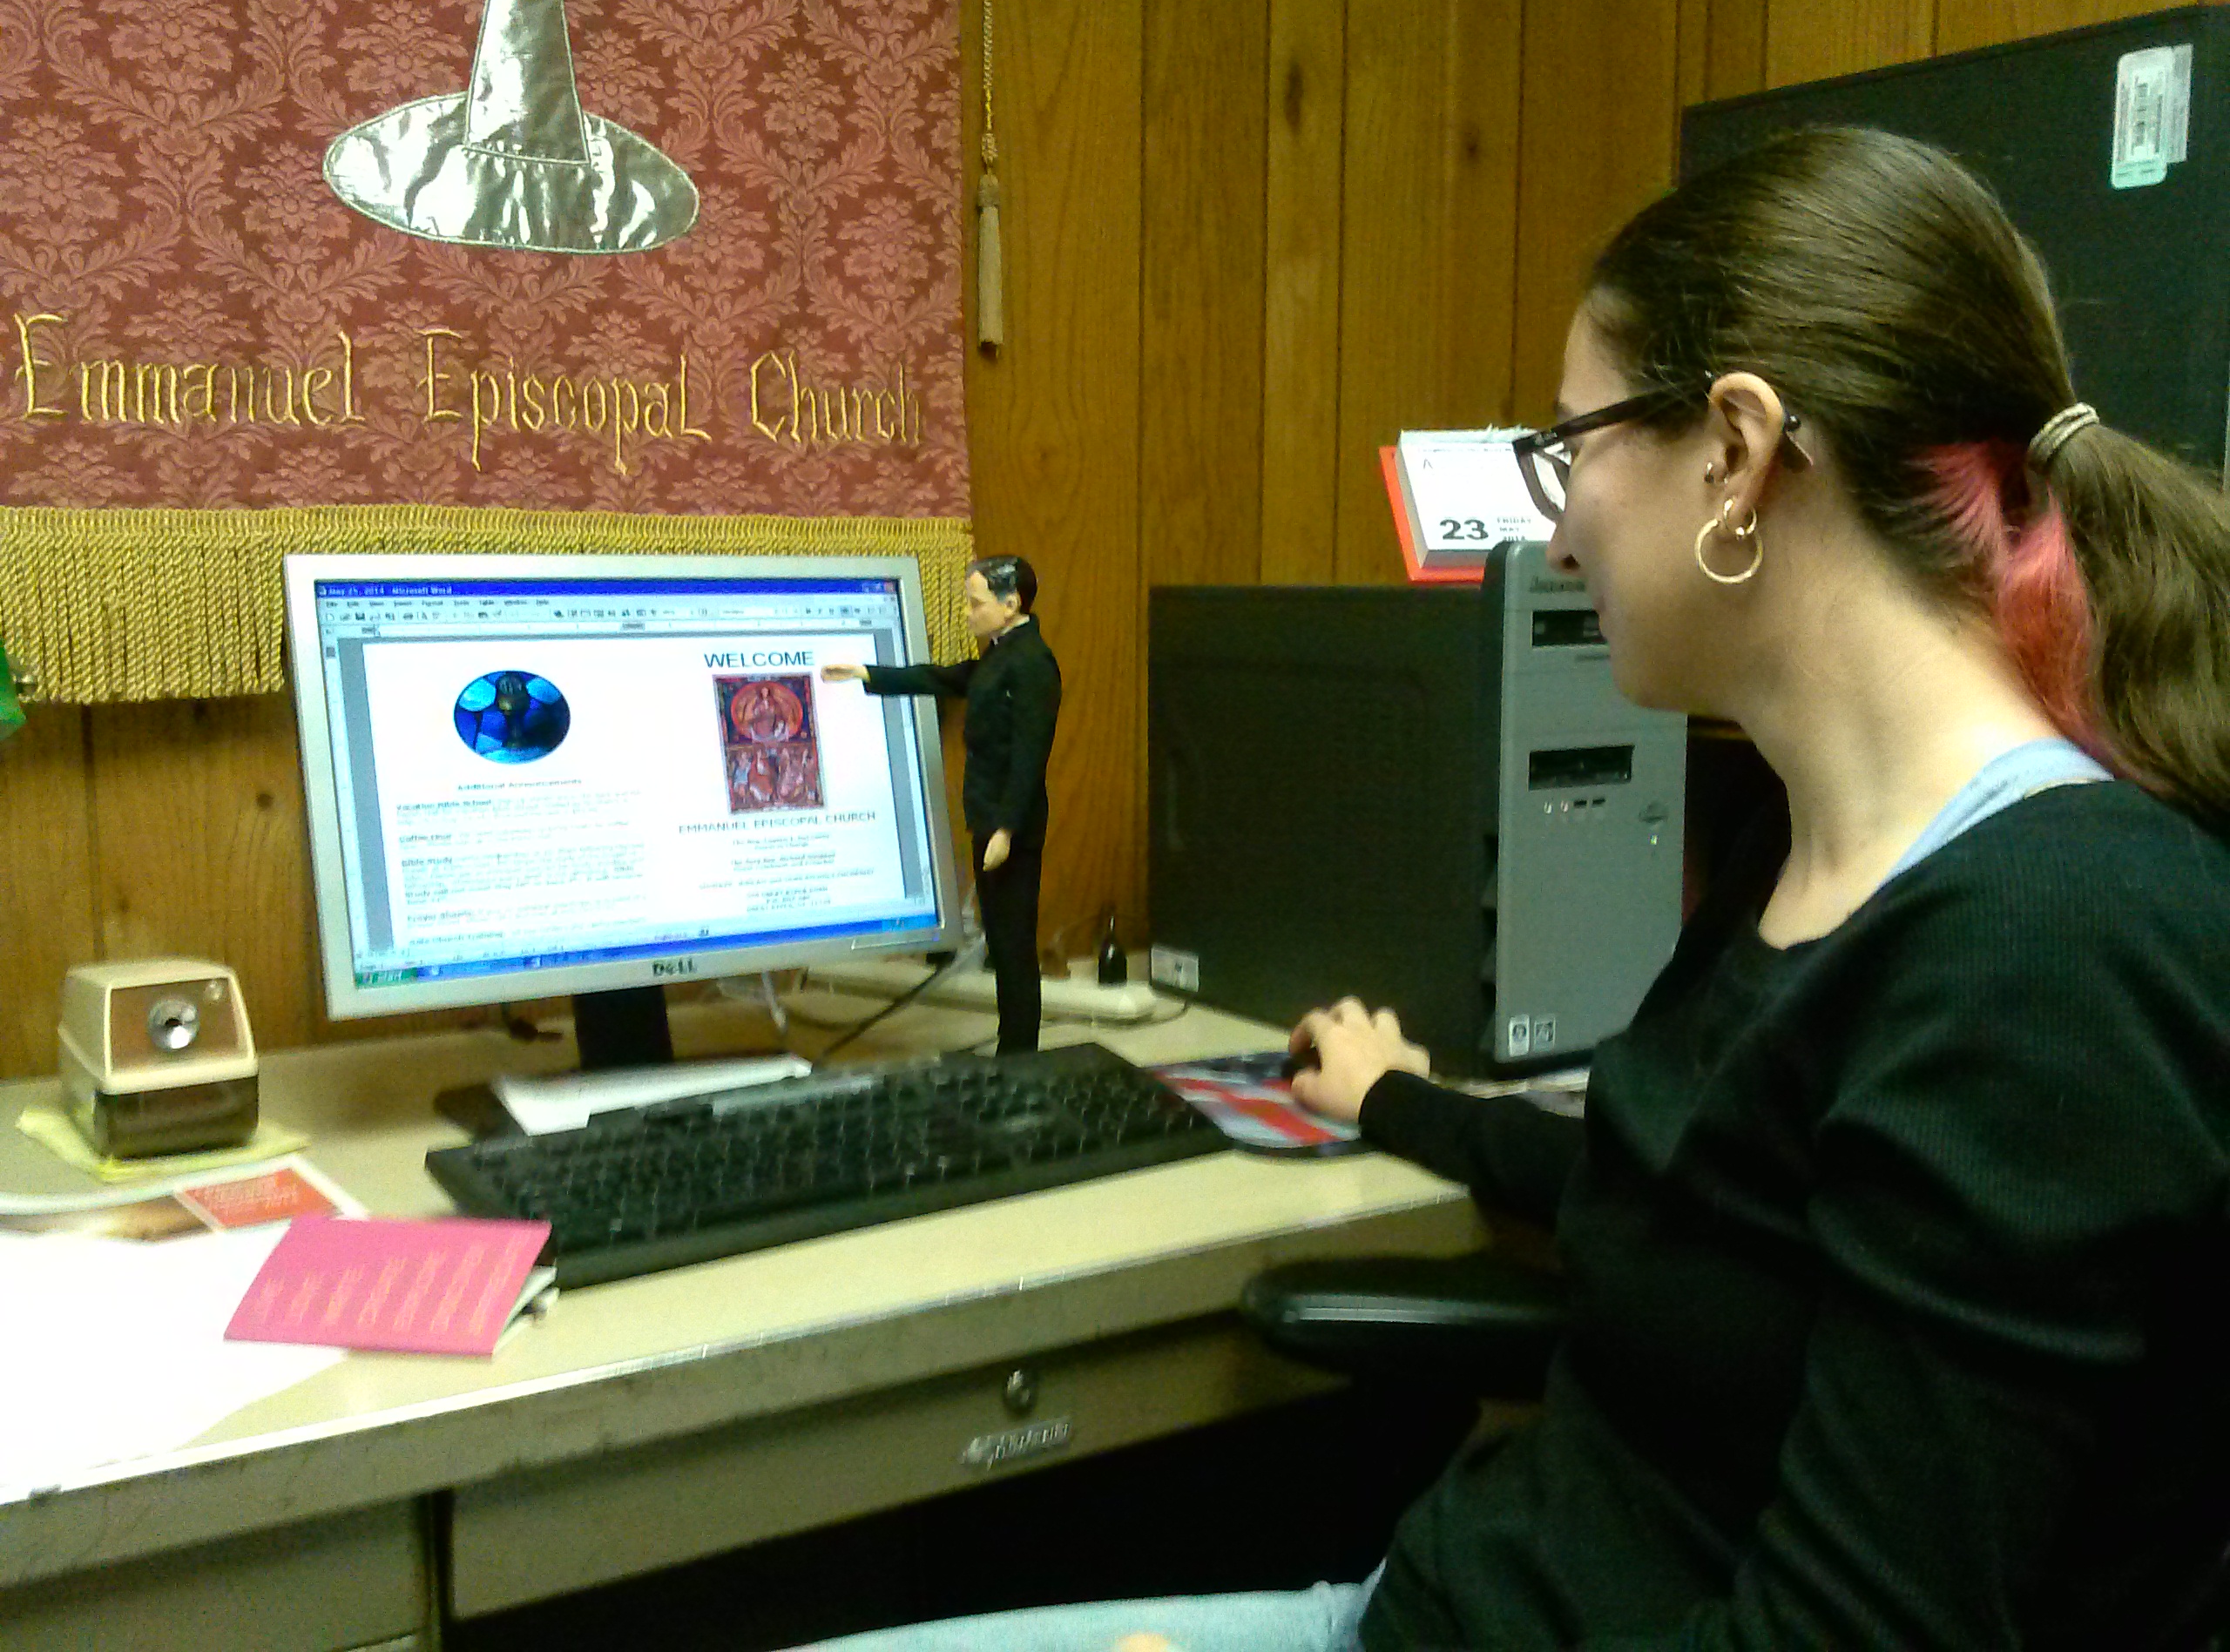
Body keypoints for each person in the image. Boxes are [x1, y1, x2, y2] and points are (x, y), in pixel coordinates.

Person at [790, 128, 2230, 1651]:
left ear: (1736, 452)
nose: (1556, 526)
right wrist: (1397, 1100)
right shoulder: (1814, 847)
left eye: (1572, 445)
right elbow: (1686, 1196)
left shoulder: (2053, 959)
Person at [823, 555, 1061, 1055]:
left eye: (976, 604)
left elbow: (1030, 755)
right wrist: (868, 673)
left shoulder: (1032, 664)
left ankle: (1020, 1051)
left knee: (1014, 946)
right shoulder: (999, 656)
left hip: (1008, 826)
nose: (969, 614)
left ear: (1010, 604)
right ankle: (1012, 1045)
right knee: (1001, 942)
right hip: (988, 817)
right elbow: (944, 678)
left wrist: (1007, 829)